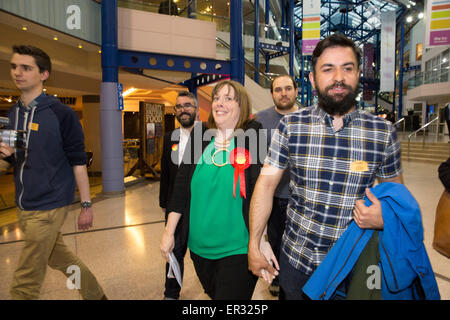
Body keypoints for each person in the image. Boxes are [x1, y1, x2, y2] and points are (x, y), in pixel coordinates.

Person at [247, 33, 403, 300]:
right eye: (328, 69)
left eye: (347, 68)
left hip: (353, 267)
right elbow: (266, 184)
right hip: (297, 263)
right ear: (312, 78)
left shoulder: (383, 133)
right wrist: (255, 242)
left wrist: (384, 217)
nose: (338, 77)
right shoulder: (292, 126)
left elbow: (397, 196)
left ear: (358, 75)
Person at [0, 45, 106, 300]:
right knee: (62, 261)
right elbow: (15, 161)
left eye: (26, 68)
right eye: (14, 66)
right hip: (24, 205)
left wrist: (86, 204)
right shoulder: (13, 114)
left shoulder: (62, 114)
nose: (18, 72)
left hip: (49, 206)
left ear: (44, 74)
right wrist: (7, 157)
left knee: (25, 281)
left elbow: (78, 162)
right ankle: (97, 296)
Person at [160, 80, 263, 300]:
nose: (219, 103)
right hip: (199, 250)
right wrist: (169, 233)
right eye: (216, 98)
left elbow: (261, 190)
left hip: (238, 249)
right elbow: (179, 190)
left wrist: (263, 240)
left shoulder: (251, 137)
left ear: (241, 105)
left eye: (228, 98)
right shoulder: (200, 138)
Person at [254, 75, 298, 297]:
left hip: (299, 197)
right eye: (278, 89)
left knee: (297, 242)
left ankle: (295, 279)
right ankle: (277, 277)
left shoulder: (307, 119)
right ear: (272, 94)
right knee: (275, 239)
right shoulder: (260, 120)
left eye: (288, 88)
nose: (284, 93)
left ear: (296, 91)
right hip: (272, 196)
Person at [159, 91, 200, 300]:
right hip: (176, 206)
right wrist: (164, 203)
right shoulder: (170, 138)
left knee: (202, 252)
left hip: (201, 206)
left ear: (196, 109)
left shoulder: (209, 136)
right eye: (179, 106)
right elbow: (165, 172)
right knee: (173, 251)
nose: (183, 109)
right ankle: (171, 293)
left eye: (188, 105)